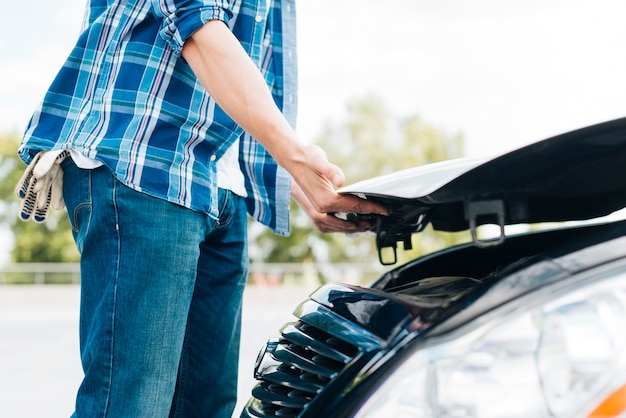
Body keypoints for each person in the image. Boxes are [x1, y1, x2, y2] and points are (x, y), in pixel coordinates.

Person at [16, 1, 387, 417]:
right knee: (130, 405)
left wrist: (297, 183)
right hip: (146, 162)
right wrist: (295, 159)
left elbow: (241, 73)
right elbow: (197, 21)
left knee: (205, 407)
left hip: (219, 182)